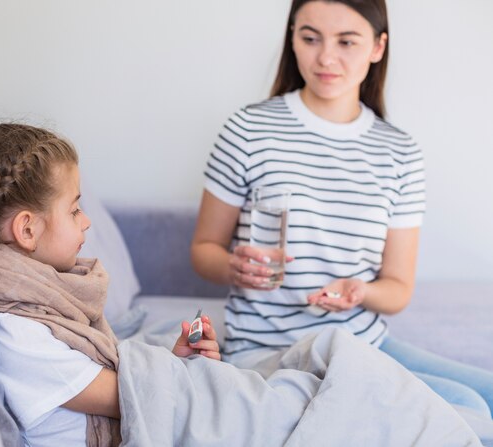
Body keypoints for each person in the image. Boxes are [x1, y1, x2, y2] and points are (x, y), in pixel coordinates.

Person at [191, 0, 493, 418]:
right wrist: (232, 267)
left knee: (487, 395)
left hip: (363, 344)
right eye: (310, 38)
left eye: (347, 41)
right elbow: (204, 249)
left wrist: (362, 292)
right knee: (466, 408)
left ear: (377, 47)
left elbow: (398, 288)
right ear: (292, 38)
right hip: (268, 350)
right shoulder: (248, 130)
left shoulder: (399, 152)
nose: (326, 58)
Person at [0, 123, 220, 447]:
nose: (86, 221)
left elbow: (138, 390)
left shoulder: (40, 306)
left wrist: (177, 362)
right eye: (74, 210)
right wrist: (186, 373)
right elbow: (131, 397)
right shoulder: (17, 335)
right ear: (27, 231)